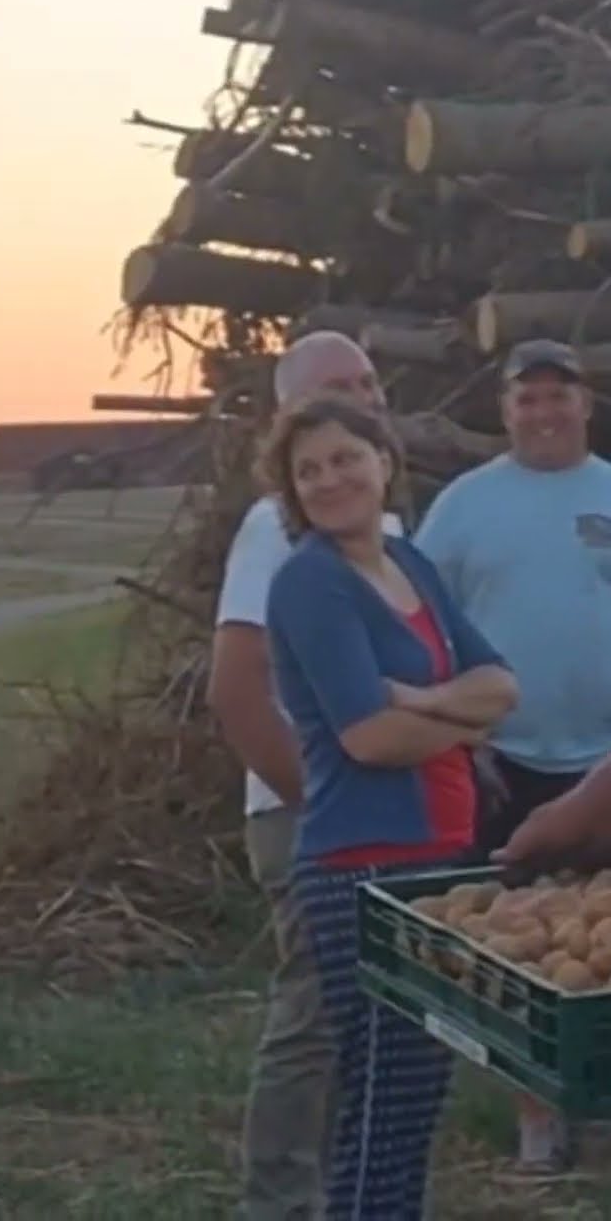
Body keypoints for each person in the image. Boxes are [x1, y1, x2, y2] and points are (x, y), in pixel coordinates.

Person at [262, 395, 516, 1219]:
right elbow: (367, 738)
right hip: (363, 865)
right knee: (379, 1102)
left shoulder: (413, 567)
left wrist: (421, 697)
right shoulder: (311, 582)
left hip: (440, 853)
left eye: (345, 458)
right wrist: (459, 716)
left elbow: (502, 688)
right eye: (309, 471)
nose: (330, 480)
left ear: (383, 460)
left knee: (416, 1097)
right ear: (293, 494)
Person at [208, 332, 404, 1220]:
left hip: (381, 810)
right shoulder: (276, 524)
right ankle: (280, 1203)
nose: (365, 393)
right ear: (290, 415)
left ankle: (348, 1193)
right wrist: (319, 803)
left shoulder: (386, 524)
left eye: (369, 381)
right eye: (339, 385)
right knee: (314, 1017)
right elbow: (238, 688)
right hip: (309, 814)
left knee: (368, 1020)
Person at [415, 337, 611, 1171]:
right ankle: (539, 1115)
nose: (544, 412)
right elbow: (419, 626)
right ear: (503, 412)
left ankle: (602, 1106)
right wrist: (459, 730)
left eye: (558, 396)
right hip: (505, 760)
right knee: (519, 944)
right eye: (526, 399)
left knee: (598, 939)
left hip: (607, 764)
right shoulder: (464, 507)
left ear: (586, 405)